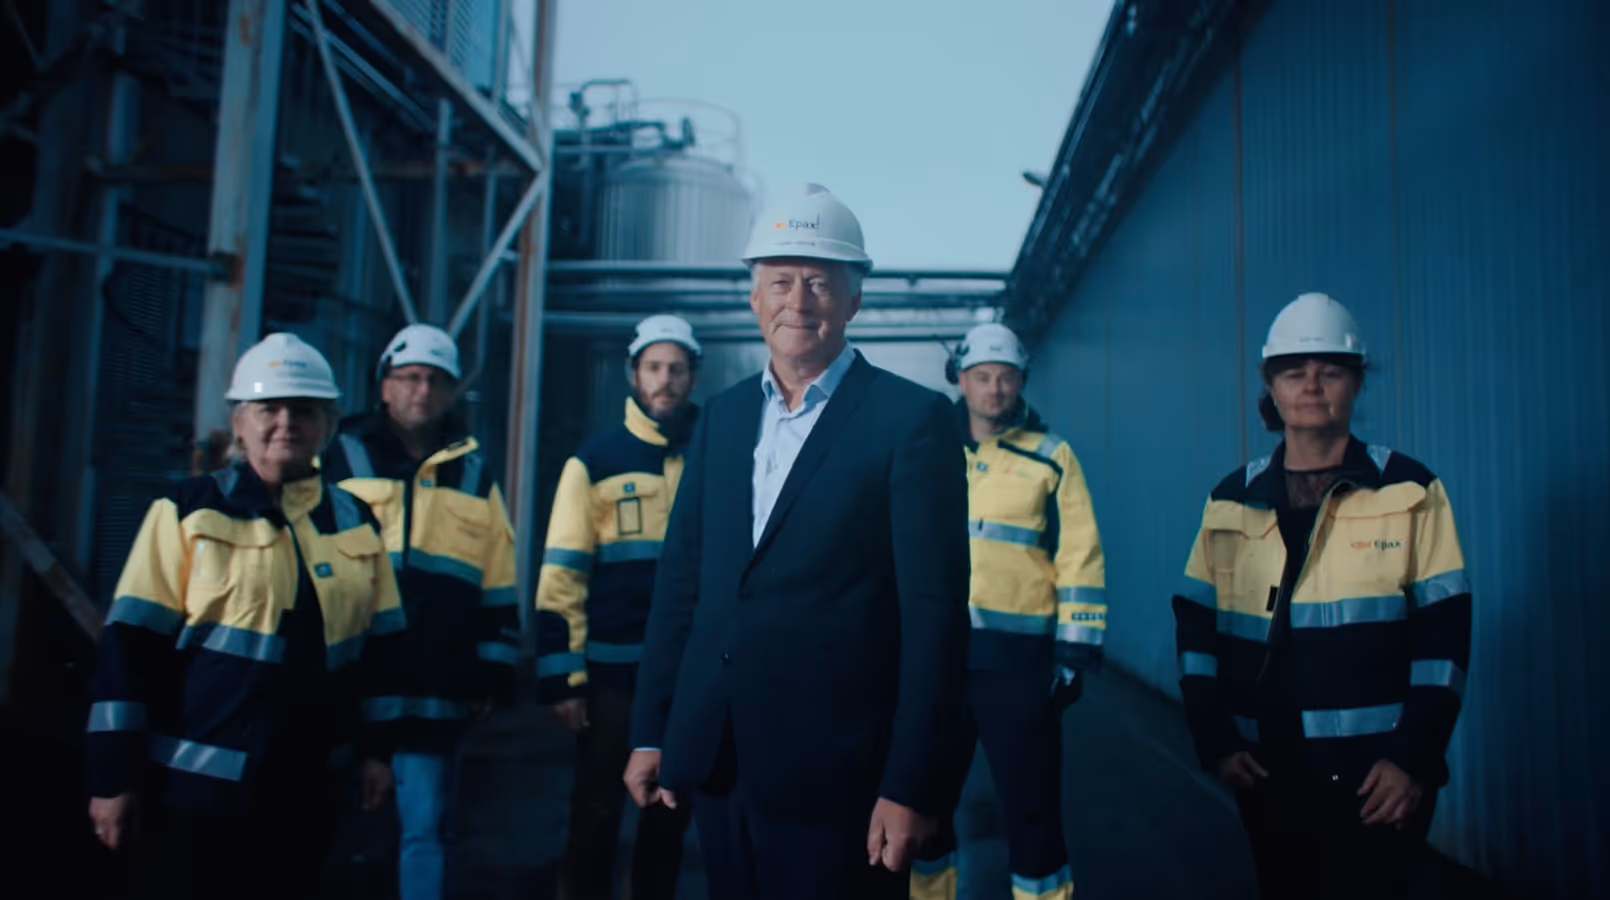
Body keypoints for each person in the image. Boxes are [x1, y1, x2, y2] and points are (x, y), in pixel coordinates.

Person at [621, 183, 972, 900]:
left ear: (853, 301)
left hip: (842, 777)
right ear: (754, 298)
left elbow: (934, 620)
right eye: (779, 281)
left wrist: (912, 783)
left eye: (819, 282)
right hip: (720, 761)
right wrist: (653, 728)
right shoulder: (719, 420)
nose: (798, 301)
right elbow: (682, 590)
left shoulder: (912, 422)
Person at [1171, 293, 1473, 899]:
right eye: (1294, 371)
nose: (1312, 385)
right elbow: (1196, 629)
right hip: (1269, 773)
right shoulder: (1231, 499)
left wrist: (1412, 759)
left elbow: (1445, 638)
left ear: (1356, 383)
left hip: (1378, 779)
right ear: (1271, 386)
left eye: (1330, 370)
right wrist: (1218, 741)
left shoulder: (1410, 490)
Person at [84, 332, 404, 900]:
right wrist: (112, 777)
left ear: (328, 424)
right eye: (268, 409)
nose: (286, 422)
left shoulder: (356, 521)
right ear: (238, 422)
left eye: (303, 410)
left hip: (308, 784)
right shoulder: (186, 511)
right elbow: (128, 650)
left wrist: (377, 752)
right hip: (193, 788)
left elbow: (380, 652)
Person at [319, 323, 519, 900]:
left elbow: (498, 572)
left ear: (453, 391)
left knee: (427, 827)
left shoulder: (473, 471)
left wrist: (493, 665)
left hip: (436, 675)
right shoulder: (340, 455)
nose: (421, 391)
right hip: (351, 674)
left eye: (435, 380)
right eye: (409, 378)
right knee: (338, 822)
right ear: (385, 385)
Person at [911, 323, 1104, 900]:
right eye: (982, 377)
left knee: (1032, 810)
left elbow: (1080, 556)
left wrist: (1073, 654)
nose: (994, 389)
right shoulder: (925, 451)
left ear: (1021, 382)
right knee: (924, 805)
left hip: (1019, 666)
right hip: (935, 664)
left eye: (1006, 378)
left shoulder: (1051, 457)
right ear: (961, 381)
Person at [536, 313, 703, 900]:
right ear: (634, 375)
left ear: (692, 377)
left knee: (670, 808)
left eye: (677, 369)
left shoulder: (715, 455)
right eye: (655, 368)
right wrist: (564, 677)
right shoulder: (595, 461)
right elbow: (562, 573)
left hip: (687, 673)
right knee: (598, 808)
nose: (666, 380)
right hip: (611, 675)